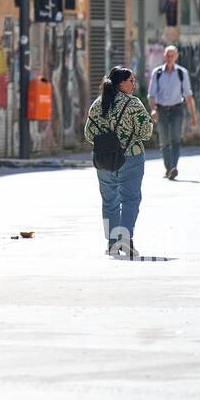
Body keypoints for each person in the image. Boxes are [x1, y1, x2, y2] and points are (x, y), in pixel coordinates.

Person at [84, 66, 154, 259]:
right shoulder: (133, 104)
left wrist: (107, 142)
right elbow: (146, 133)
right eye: (131, 80)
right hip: (130, 156)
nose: (134, 84)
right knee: (130, 199)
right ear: (120, 83)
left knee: (109, 201)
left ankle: (112, 242)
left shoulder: (97, 104)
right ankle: (125, 237)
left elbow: (89, 134)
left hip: (103, 159)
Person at [147, 45, 199, 180]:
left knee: (175, 140)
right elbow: (151, 95)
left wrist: (193, 117)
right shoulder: (157, 73)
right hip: (161, 110)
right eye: (167, 55)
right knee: (164, 141)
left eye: (172, 55)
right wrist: (153, 109)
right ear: (164, 56)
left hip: (177, 109)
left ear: (176, 56)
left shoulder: (182, 73)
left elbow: (188, 96)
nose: (170, 58)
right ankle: (169, 168)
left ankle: (173, 168)